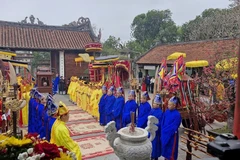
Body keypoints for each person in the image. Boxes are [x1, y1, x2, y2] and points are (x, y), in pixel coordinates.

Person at [161, 96, 181, 160]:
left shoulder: (177, 115)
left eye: (170, 104)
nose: (168, 106)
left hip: (172, 135)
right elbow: (163, 121)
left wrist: (166, 131)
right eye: (168, 104)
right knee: (165, 149)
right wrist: (163, 130)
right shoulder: (166, 112)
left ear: (174, 105)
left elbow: (174, 126)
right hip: (165, 132)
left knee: (171, 150)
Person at [149, 94, 163, 160]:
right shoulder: (152, 110)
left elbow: (160, 123)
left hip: (156, 132)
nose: (153, 104)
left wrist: (154, 127)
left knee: (155, 146)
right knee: (151, 145)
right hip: (150, 130)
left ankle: (156, 157)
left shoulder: (160, 112)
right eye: (153, 103)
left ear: (158, 105)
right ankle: (151, 156)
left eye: (155, 103)